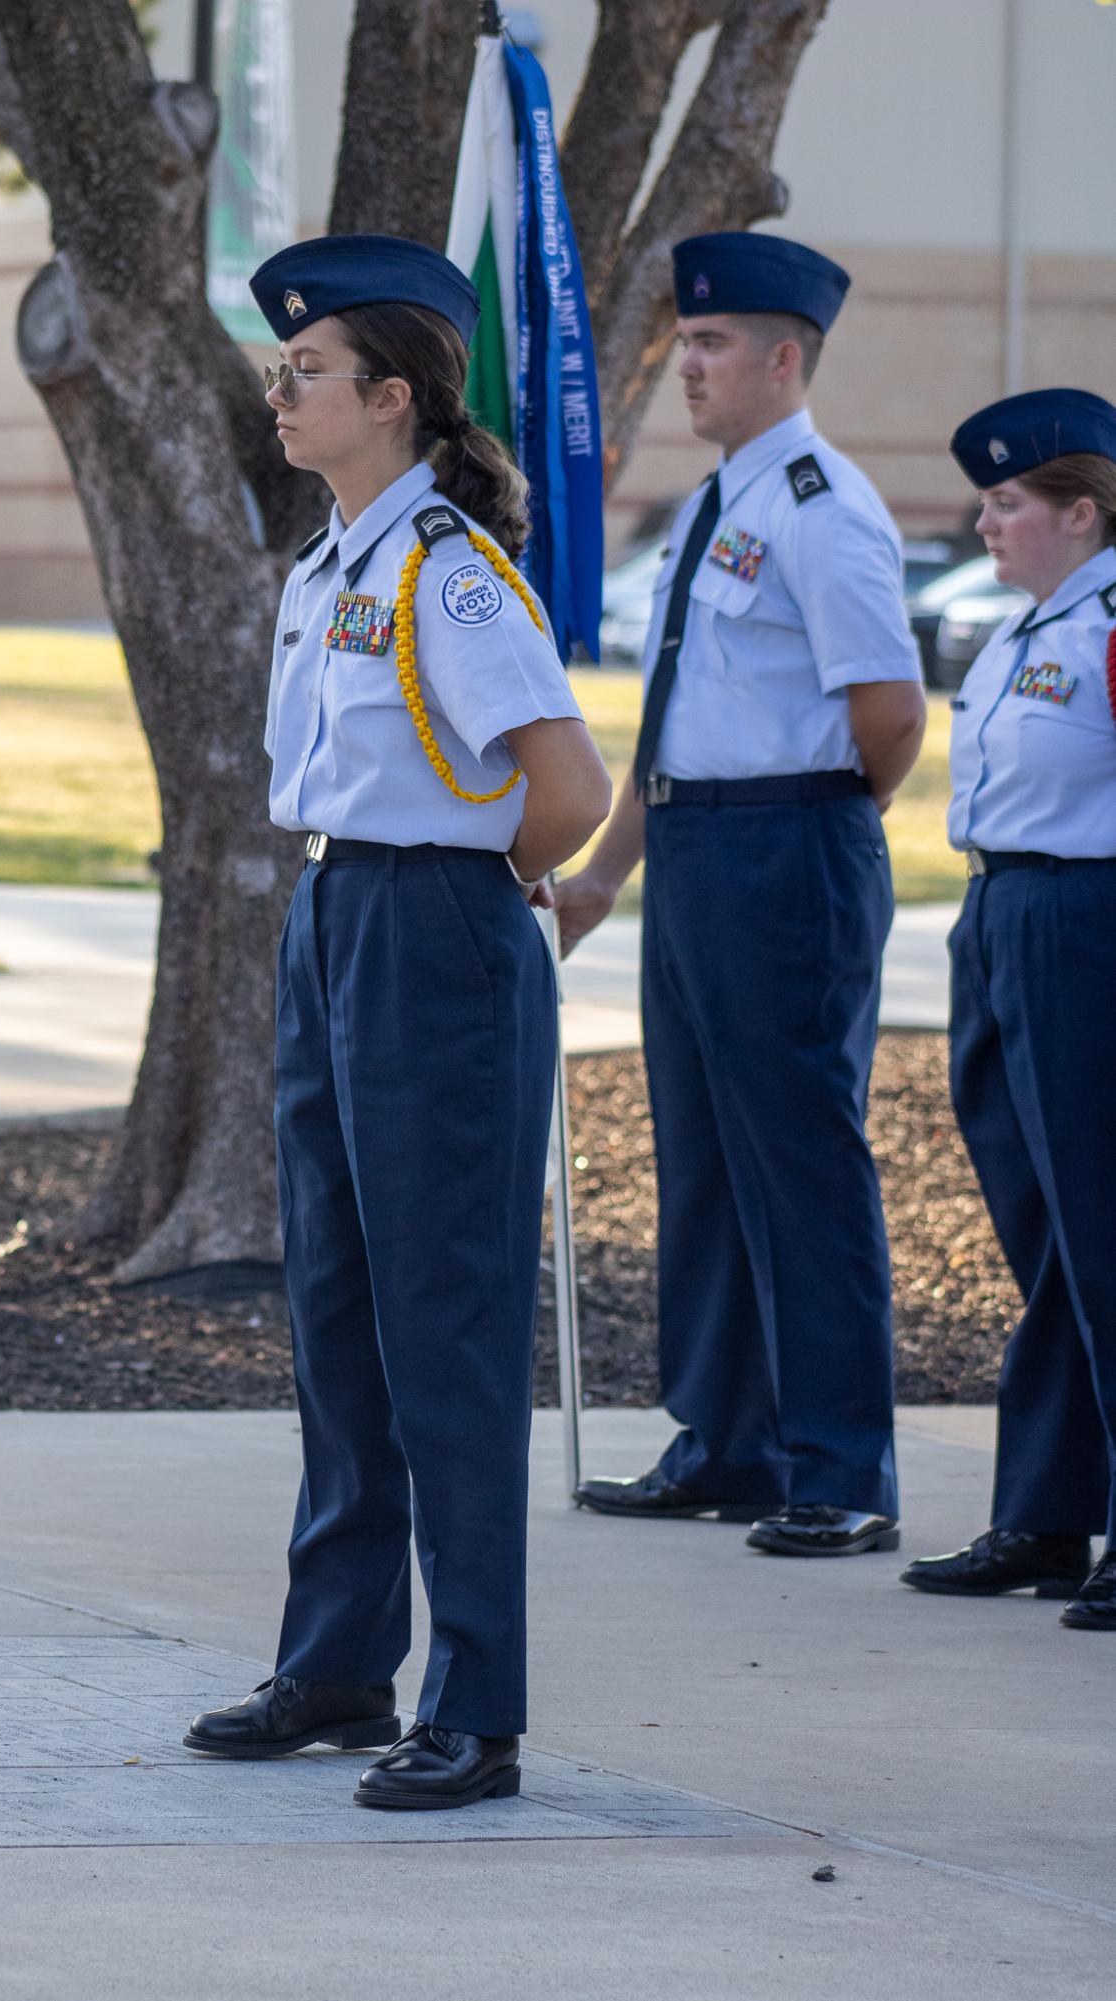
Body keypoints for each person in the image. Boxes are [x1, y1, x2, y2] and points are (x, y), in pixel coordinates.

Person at [183, 234, 612, 1806]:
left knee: (443, 1324)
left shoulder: (448, 569)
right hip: (335, 917)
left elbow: (564, 789)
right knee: (342, 1316)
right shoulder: (330, 564)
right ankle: (339, 1663)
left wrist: (459, 896)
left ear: (393, 396)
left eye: (305, 371)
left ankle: (474, 1703)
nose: (279, 391)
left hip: (429, 925)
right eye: (278, 369)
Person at [557, 232, 926, 1557]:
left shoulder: (823, 510)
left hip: (785, 852)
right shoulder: (720, 505)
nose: (687, 367)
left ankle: (838, 1467)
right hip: (698, 853)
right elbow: (683, 716)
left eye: (710, 346)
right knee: (703, 1156)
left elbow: (886, 717)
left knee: (799, 1161)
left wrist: (813, 825)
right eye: (683, 344)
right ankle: (727, 1440)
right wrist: (604, 873)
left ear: (782, 358)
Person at [900, 389, 1116, 1630]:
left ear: (1078, 511)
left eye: (1007, 502)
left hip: (1084, 925)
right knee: (1043, 1240)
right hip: (999, 925)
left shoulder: (1107, 625)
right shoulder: (1028, 626)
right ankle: (1044, 1514)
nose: (982, 522)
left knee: (1101, 1229)